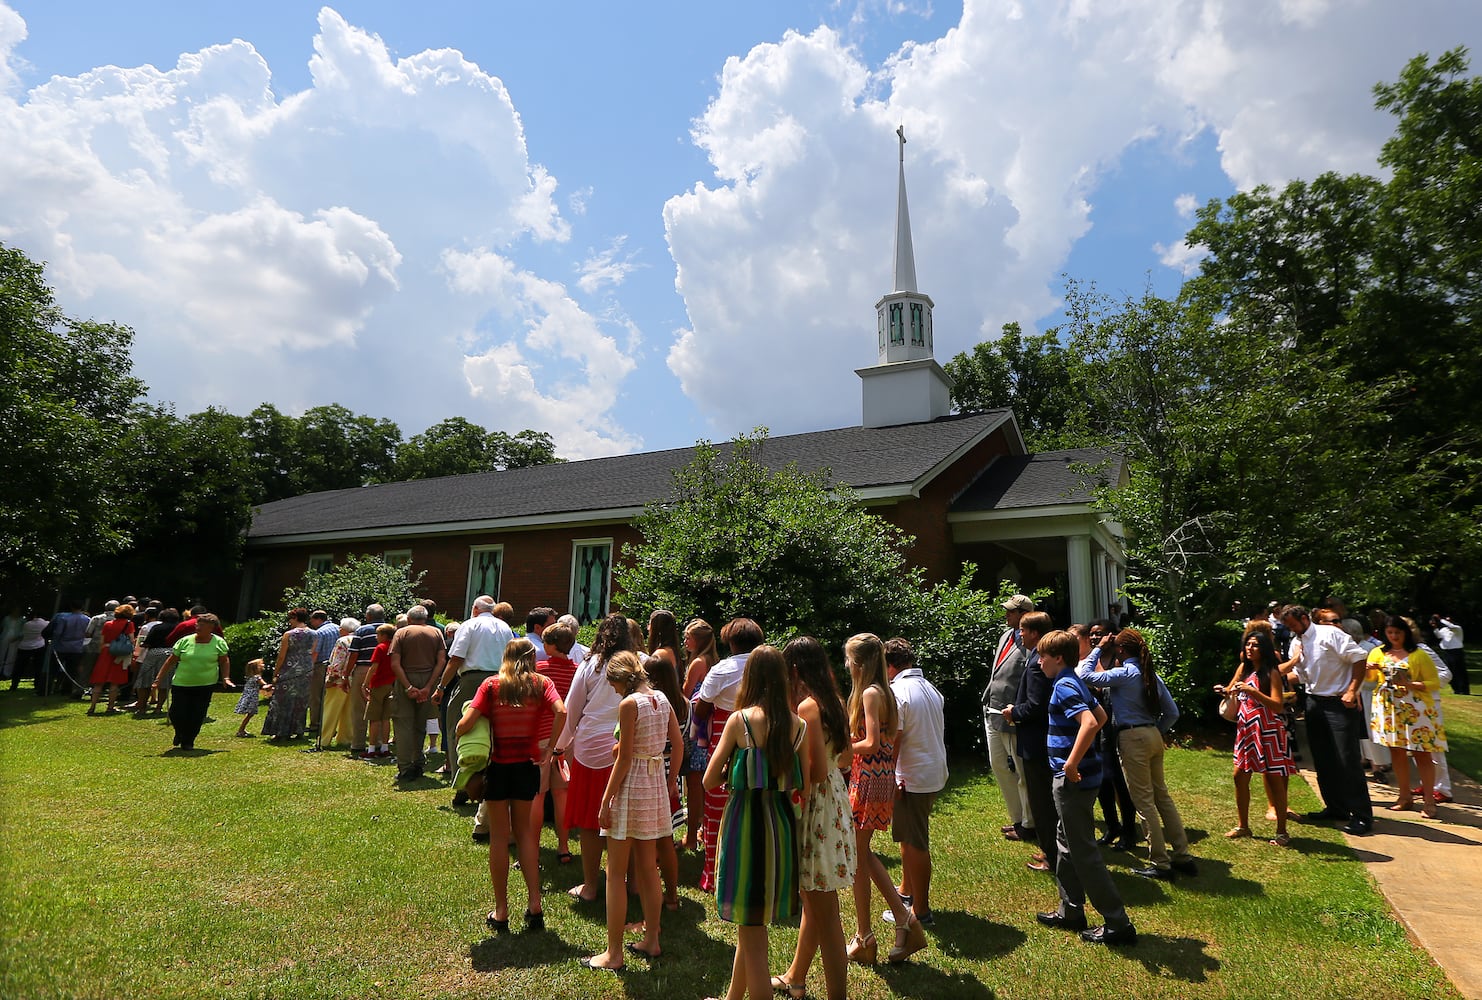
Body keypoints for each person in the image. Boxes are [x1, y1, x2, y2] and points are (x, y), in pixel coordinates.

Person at [703, 645, 809, 1000]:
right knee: (752, 925)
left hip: (745, 825)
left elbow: (708, 780)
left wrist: (736, 768)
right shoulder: (798, 726)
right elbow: (803, 782)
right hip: (780, 826)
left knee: (752, 929)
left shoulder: (741, 721)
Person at [1033, 630, 1136, 946]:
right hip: (1082, 779)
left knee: (1083, 851)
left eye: (1043, 657)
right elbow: (1101, 714)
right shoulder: (1073, 680)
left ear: (1058, 658)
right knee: (1065, 841)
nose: (1039, 662)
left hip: (1073, 782)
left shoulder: (1064, 684)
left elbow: (1090, 723)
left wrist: (1072, 763)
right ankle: (1071, 910)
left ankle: (1118, 923)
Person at [457, 637, 566, 935]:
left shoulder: (492, 686)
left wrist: (464, 726)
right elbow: (561, 711)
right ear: (532, 657)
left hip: (497, 767)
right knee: (527, 837)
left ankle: (501, 910)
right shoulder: (541, 684)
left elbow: (464, 725)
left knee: (499, 839)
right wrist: (549, 750)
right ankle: (535, 907)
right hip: (527, 766)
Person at [582, 650, 682, 969]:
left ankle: (613, 953)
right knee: (648, 868)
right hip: (654, 784)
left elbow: (623, 759)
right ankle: (652, 939)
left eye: (612, 683)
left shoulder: (629, 705)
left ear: (621, 680)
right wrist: (670, 781)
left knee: (615, 872)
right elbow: (676, 744)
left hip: (632, 785)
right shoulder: (663, 698)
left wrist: (605, 799)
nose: (612, 689)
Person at [773, 637, 853, 1000]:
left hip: (815, 804)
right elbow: (846, 760)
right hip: (835, 798)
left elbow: (814, 772)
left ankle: (838, 995)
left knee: (826, 913)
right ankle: (796, 977)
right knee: (814, 898)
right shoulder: (835, 701)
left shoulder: (807, 707)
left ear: (794, 670)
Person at [1081, 628, 1195, 879]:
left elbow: (1085, 674)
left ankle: (1160, 863)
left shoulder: (1125, 674)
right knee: (1162, 797)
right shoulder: (1148, 674)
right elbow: (1172, 712)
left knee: (1144, 802)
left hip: (1132, 737)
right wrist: (1155, 730)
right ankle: (1183, 855)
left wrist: (1098, 647)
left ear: (1120, 650)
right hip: (1153, 735)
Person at [844, 633, 926, 965]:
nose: (846, 664)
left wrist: (842, 748)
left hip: (868, 779)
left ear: (859, 663)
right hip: (877, 778)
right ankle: (873, 931)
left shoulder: (870, 694)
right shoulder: (884, 691)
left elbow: (874, 742)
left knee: (859, 854)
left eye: (849, 659)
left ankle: (896, 922)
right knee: (860, 856)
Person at [556, 613, 632, 902]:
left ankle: (590, 885)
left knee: (590, 820)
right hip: (625, 746)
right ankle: (629, 881)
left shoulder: (589, 664)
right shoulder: (638, 662)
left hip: (590, 750)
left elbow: (572, 709)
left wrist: (558, 747)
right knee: (625, 816)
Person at [1280, 604, 1373, 835]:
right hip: (1314, 702)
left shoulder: (1330, 633)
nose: (1292, 630)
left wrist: (1352, 690)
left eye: (1293, 625)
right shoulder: (1297, 642)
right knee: (1323, 759)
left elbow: (1359, 659)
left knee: (1347, 760)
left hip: (1339, 703)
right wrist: (1270, 679)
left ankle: (1362, 816)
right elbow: (1300, 675)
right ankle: (1336, 808)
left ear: (1303, 618)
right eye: (1288, 627)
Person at [433, 596, 515, 835]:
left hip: (473, 680)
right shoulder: (505, 627)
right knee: (495, 733)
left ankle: (464, 784)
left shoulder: (470, 624)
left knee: (458, 728)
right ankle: (488, 782)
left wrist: (441, 687)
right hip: (502, 680)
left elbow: (456, 658)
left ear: (475, 609)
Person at [694, 617, 764, 893]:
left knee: (717, 812)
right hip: (763, 743)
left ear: (731, 642)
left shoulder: (723, 669)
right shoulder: (770, 666)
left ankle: (714, 875)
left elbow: (701, 708)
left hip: (726, 740)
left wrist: (699, 735)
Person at [884, 637, 946, 928]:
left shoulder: (897, 692)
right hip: (932, 772)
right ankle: (907, 891)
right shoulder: (929, 687)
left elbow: (894, 741)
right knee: (910, 835)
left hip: (911, 777)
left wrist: (889, 776)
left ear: (889, 666)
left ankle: (921, 911)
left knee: (915, 841)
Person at [1217, 627, 1294, 845]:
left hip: (1268, 730)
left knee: (1273, 780)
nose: (1250, 648)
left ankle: (1281, 832)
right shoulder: (1244, 669)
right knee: (1239, 777)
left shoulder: (1271, 673)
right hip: (1246, 729)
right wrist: (1224, 691)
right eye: (1248, 644)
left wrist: (1254, 692)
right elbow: (1233, 690)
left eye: (1255, 645)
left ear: (1265, 649)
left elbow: (1278, 705)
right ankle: (1243, 826)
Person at [1367, 616, 1447, 819]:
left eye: (1398, 633)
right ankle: (1404, 796)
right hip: (1389, 708)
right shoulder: (1378, 652)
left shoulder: (1418, 654)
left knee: (1422, 753)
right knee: (1397, 752)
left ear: (1406, 633)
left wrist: (1409, 684)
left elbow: (1433, 682)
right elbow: (1370, 680)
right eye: (1390, 633)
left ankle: (1429, 800)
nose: (1394, 637)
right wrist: (1370, 670)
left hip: (1416, 708)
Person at [1072, 623, 1137, 849]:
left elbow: (1095, 681)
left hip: (1115, 728)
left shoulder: (1119, 662)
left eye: (1099, 634)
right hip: (1097, 727)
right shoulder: (1091, 659)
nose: (1094, 638)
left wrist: (1099, 651)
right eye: (1091, 634)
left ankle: (1130, 830)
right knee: (1102, 781)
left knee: (1119, 781)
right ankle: (1112, 827)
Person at [1004, 611, 1058, 872]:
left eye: (1023, 630)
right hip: (1039, 742)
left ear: (1035, 633)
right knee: (1043, 800)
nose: (1020, 634)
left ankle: (1052, 856)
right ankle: (1050, 850)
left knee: (1043, 803)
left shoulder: (1038, 662)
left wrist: (1014, 712)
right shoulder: (1039, 657)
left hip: (1036, 744)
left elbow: (1036, 705)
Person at [642, 610, 687, 911]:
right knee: (667, 836)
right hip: (671, 772)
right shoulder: (683, 703)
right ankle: (672, 896)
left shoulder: (651, 703)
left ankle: (647, 895)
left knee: (648, 840)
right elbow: (681, 742)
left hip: (651, 771)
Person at [984, 595, 1034, 844]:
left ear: (1024, 614)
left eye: (1011, 612)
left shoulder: (1032, 642)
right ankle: (1017, 818)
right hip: (992, 710)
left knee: (1021, 770)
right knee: (999, 765)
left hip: (1012, 715)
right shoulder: (1006, 635)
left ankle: (1029, 823)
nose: (1007, 615)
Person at [531, 621, 580, 864]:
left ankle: (533, 847)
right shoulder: (578, 671)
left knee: (537, 796)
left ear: (549, 646)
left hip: (541, 735)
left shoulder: (539, 669)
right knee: (562, 795)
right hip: (568, 738)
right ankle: (563, 847)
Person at [156, 613, 234, 750]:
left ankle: (188, 741)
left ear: (212, 628)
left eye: (202, 626)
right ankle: (180, 732)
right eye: (198, 624)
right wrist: (158, 679)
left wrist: (226, 678)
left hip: (205, 685)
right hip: (181, 683)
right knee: (175, 712)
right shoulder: (185, 641)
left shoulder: (219, 642)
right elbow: (170, 661)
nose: (198, 627)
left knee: (197, 714)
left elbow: (224, 661)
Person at [388, 604, 447, 782]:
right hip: (429, 677)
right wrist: (429, 685)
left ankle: (405, 767)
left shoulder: (401, 633)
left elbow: (395, 663)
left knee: (403, 724)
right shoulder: (436, 632)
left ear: (409, 618)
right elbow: (441, 661)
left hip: (406, 677)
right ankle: (418, 762)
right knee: (420, 724)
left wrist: (407, 686)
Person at [680, 618, 720, 852]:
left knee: (694, 783)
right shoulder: (713, 660)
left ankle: (692, 836)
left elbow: (685, 694)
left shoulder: (697, 663)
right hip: (708, 727)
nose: (685, 640)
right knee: (702, 783)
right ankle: (703, 832)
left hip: (696, 726)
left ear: (698, 640)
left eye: (688, 636)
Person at [261, 609, 316, 742]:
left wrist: (276, 673)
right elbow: (312, 652)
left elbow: (282, 656)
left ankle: (281, 732)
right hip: (307, 671)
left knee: (283, 702)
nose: (289, 621)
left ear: (296, 618)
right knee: (301, 702)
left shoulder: (289, 634)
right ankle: (299, 730)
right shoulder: (314, 634)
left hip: (289, 671)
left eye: (291, 618)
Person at [345, 604, 388, 759]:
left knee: (359, 708)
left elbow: (353, 655)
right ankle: (378, 742)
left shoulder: (362, 630)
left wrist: (346, 674)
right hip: (385, 672)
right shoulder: (391, 630)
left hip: (364, 669)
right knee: (382, 708)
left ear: (368, 616)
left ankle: (358, 743)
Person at [313, 618, 358, 750]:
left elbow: (337, 662)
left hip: (338, 681)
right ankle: (345, 738)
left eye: (341, 627)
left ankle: (324, 739)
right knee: (348, 712)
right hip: (353, 681)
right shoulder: (359, 640)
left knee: (330, 710)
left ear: (346, 629)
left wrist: (331, 679)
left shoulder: (342, 641)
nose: (339, 630)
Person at [87, 603, 135, 715]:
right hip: (119, 654)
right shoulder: (129, 624)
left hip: (106, 652)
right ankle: (110, 707)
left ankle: (92, 706)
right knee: (115, 682)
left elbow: (102, 641)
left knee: (99, 682)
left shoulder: (108, 624)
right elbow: (132, 640)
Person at [360, 623, 397, 758]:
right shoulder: (395, 648)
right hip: (391, 684)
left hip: (378, 684)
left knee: (374, 718)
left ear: (383, 635)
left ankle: (371, 749)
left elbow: (373, 667)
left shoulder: (380, 648)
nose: (376, 637)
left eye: (378, 635)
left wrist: (365, 683)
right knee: (386, 718)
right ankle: (385, 747)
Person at [135, 608, 180, 714]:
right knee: (165, 682)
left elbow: (147, 643)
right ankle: (159, 708)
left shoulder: (157, 627)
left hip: (154, 652)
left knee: (144, 680)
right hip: (171, 653)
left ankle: (141, 708)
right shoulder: (178, 627)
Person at [49, 601, 91, 698]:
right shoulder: (87, 619)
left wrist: (55, 641)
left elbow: (58, 632)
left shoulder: (64, 617)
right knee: (71, 671)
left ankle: (47, 689)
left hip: (61, 646)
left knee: (53, 669)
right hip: (77, 647)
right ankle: (66, 690)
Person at [308, 610, 339, 733]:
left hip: (320, 666)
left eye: (312, 620)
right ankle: (330, 723)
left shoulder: (319, 632)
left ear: (318, 619)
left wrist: (309, 668)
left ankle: (315, 724)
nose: (311, 623)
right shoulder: (338, 628)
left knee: (315, 696)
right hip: (335, 666)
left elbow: (315, 652)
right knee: (329, 696)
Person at [10, 611, 49, 694]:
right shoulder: (46, 623)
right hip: (38, 646)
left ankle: (14, 684)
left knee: (19, 667)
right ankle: (37, 684)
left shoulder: (27, 624)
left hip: (24, 646)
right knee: (38, 667)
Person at [234, 659, 273, 737]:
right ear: (257, 667)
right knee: (250, 714)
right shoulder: (257, 677)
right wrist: (274, 684)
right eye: (261, 664)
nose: (263, 665)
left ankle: (241, 730)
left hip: (248, 696)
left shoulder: (250, 677)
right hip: (251, 698)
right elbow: (265, 686)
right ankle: (240, 730)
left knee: (250, 714)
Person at [1431, 614, 1468, 696]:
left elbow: (1451, 626)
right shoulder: (1444, 630)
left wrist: (1440, 619)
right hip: (1447, 652)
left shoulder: (1457, 629)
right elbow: (1438, 636)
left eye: (1449, 620)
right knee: (1450, 672)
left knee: (1460, 671)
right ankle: (1456, 689)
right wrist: (1435, 627)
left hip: (1457, 652)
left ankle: (1464, 690)